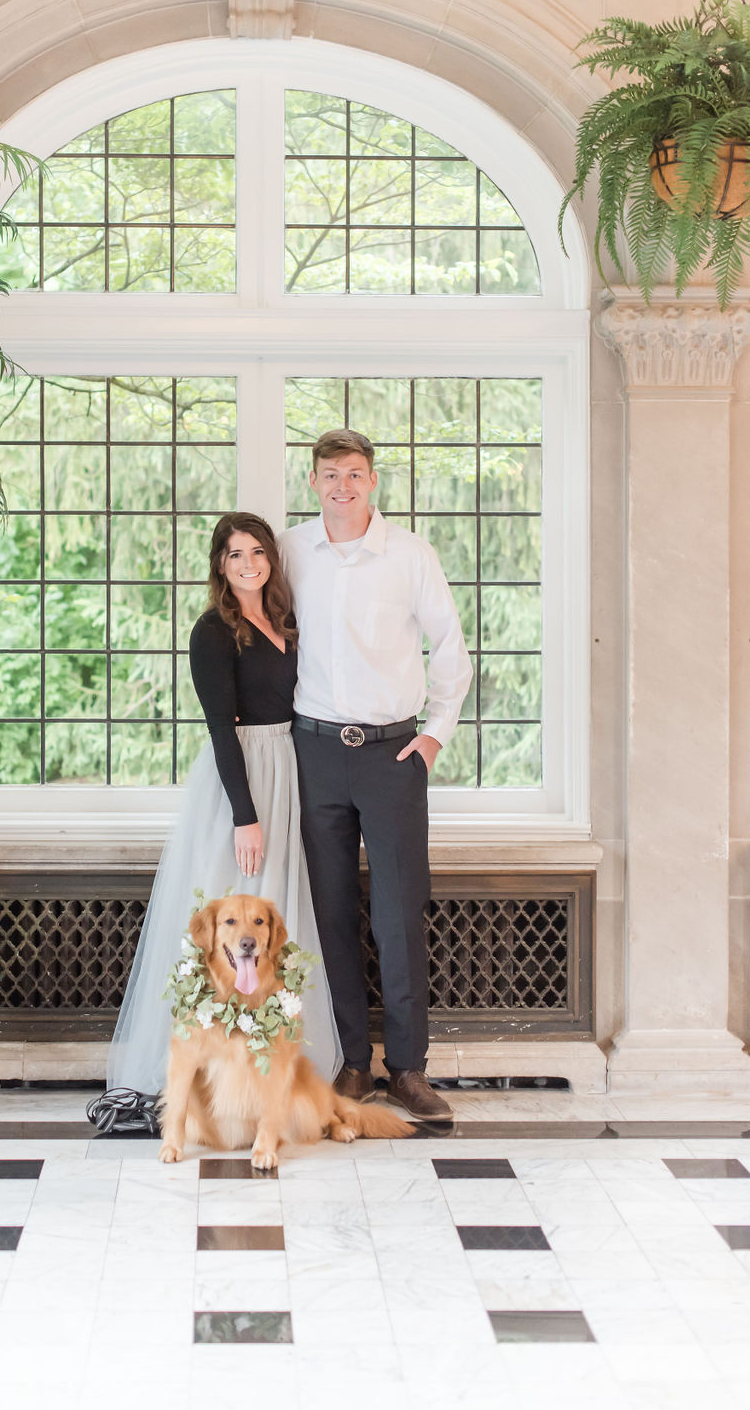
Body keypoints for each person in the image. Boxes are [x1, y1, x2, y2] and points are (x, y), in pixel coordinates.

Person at [107, 512, 342, 1097]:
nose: (248, 564)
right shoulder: (213, 631)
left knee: (281, 905)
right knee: (237, 904)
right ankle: (212, 1065)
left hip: (292, 761)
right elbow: (219, 729)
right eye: (235, 554)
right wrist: (245, 815)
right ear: (220, 564)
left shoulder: (285, 619)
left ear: (271, 558)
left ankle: (275, 1059)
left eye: (257, 552)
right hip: (243, 772)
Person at [280, 429, 473, 1122]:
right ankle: (353, 1064)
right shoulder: (290, 551)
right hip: (315, 752)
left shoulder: (410, 555)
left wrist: (434, 736)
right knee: (330, 911)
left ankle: (409, 1070)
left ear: (373, 481)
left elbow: (450, 644)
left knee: (399, 914)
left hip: (394, 756)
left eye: (354, 474)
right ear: (313, 483)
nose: (342, 486)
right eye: (330, 475)